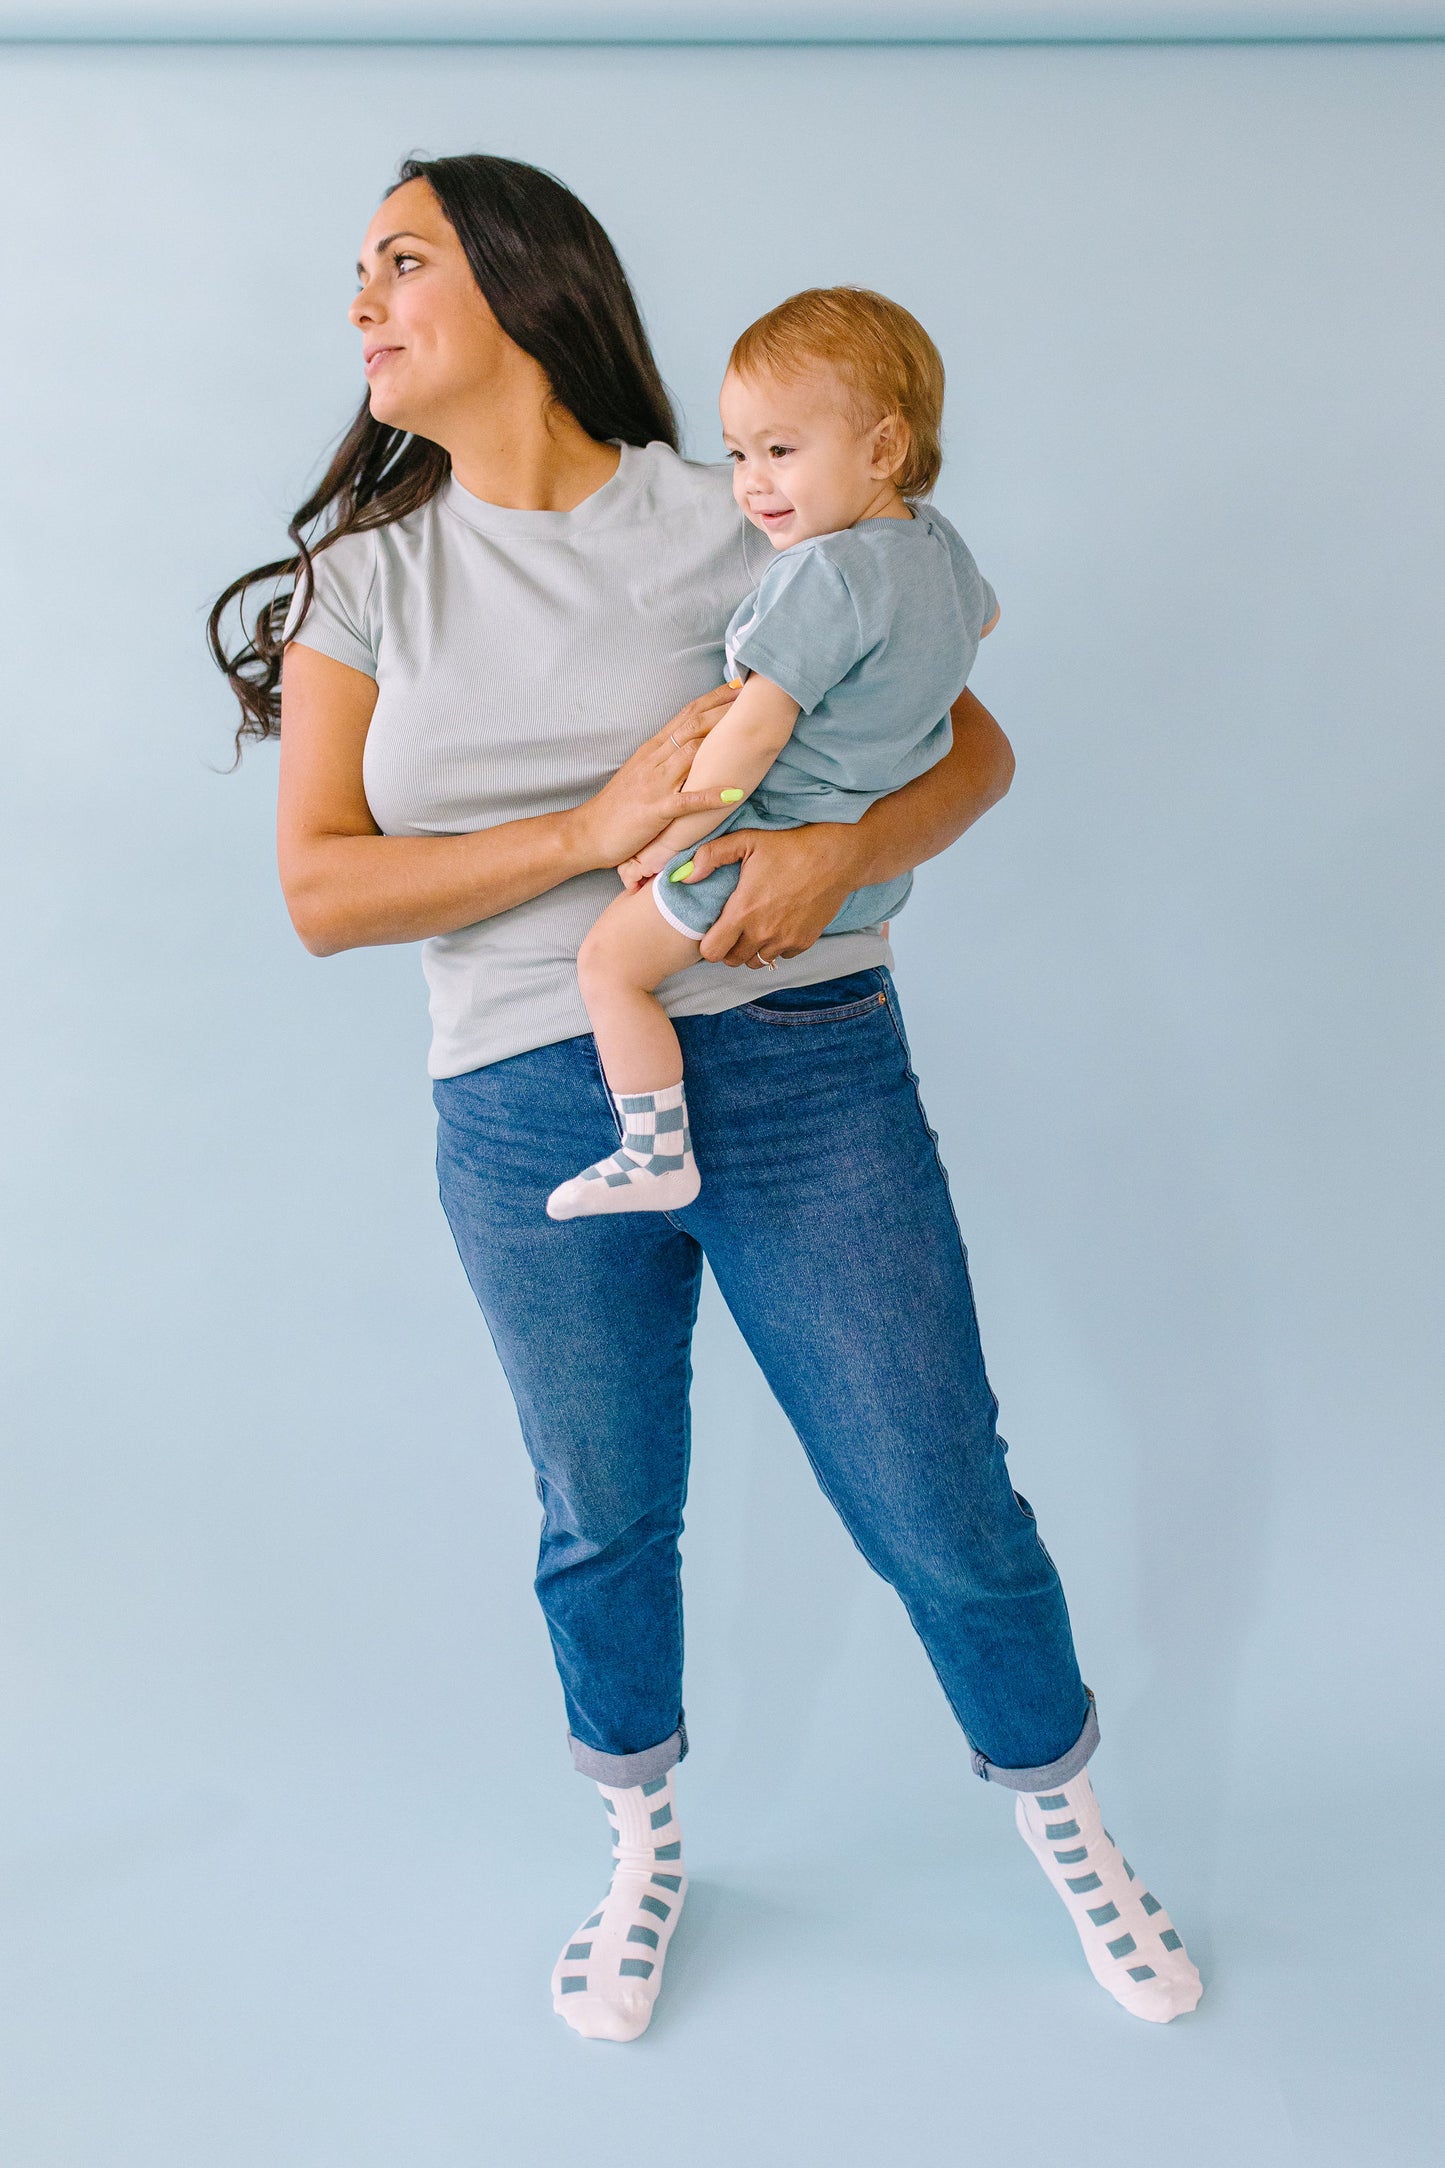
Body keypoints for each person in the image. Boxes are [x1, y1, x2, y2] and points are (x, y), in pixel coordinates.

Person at [210, 151, 1202, 2045]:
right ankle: (643, 1840)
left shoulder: (744, 498)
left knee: (936, 1489)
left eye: (399, 260)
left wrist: (840, 855)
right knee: (601, 1506)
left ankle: (1073, 1826)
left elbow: (968, 741)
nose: (359, 302)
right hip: (522, 1098)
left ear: (520, 282)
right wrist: (585, 834)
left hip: (802, 1059)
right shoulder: (371, 576)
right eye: (356, 270)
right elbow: (321, 891)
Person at [545, 286, 999, 1224]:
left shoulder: (821, 576)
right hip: (860, 886)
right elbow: (982, 621)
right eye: (739, 452)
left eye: (781, 451)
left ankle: (651, 1149)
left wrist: (660, 842)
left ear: (884, 448)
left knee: (608, 967)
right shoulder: (940, 551)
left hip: (752, 852)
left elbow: (748, 740)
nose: (751, 484)